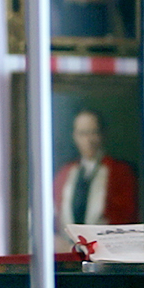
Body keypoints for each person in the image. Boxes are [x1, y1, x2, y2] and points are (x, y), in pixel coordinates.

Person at [53, 107, 138, 250]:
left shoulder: (120, 172)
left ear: (102, 134)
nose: (89, 140)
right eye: (83, 133)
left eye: (94, 133)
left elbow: (126, 220)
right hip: (68, 255)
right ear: (75, 136)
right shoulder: (65, 174)